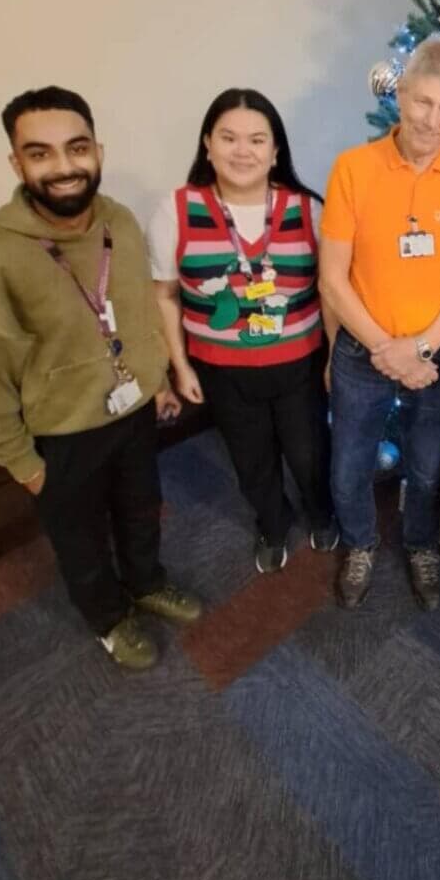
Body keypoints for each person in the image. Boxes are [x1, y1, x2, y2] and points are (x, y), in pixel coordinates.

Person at [0, 88, 201, 670]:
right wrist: (22, 464)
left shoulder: (119, 224)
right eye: (40, 153)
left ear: (97, 150)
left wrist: (157, 382)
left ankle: (146, 582)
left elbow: (136, 312)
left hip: (131, 414)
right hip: (60, 432)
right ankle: (108, 618)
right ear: (16, 163)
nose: (64, 167)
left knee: (141, 511)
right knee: (79, 541)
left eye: (76, 148)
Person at [319, 35, 440, 610]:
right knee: (348, 467)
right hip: (360, 351)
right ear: (400, 95)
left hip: (438, 354)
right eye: (422, 102)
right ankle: (361, 542)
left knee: (425, 467)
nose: (432, 119)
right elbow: (332, 279)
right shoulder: (353, 168)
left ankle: (420, 542)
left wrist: (419, 348)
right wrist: (385, 349)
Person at [147, 89, 335, 573]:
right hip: (223, 370)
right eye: (228, 138)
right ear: (207, 145)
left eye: (257, 139)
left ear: (276, 152)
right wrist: (180, 364)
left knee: (309, 452)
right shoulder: (177, 209)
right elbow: (164, 295)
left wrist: (334, 356)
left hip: (299, 364)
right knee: (251, 460)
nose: (242, 151)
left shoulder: (307, 209)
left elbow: (330, 291)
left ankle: (321, 512)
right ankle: (273, 523)